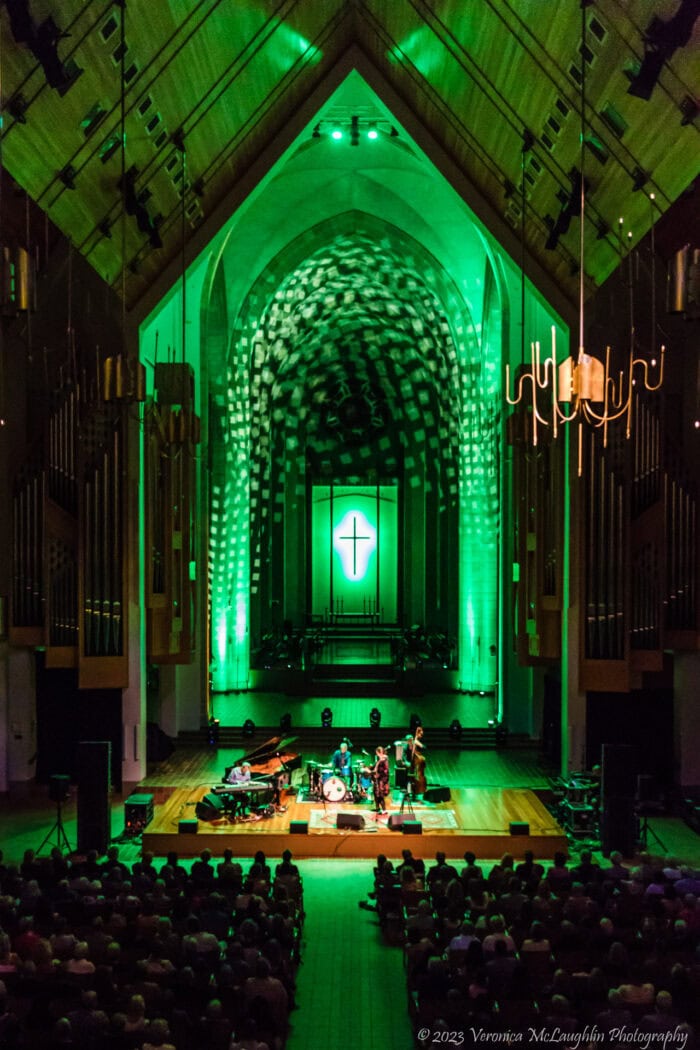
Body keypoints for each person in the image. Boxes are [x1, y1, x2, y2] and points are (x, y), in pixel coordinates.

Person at [406, 726, 427, 795]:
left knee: (417, 774)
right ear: (417, 733)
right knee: (416, 775)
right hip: (414, 760)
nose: (421, 736)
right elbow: (423, 747)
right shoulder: (415, 741)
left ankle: (416, 790)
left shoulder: (415, 741)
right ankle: (417, 789)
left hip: (415, 759)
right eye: (421, 734)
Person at [370, 746, 390, 814]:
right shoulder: (380, 759)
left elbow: (385, 771)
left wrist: (377, 774)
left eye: (377, 753)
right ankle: (377, 808)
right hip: (378, 780)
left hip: (382, 780)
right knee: (376, 794)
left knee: (380, 795)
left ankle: (384, 810)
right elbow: (375, 767)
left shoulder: (384, 759)